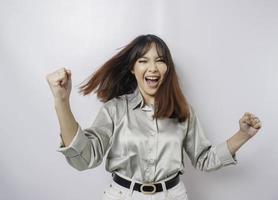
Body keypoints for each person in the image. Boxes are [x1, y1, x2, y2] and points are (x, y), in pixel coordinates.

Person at [46, 34, 262, 200]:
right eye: (143, 61)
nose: (152, 68)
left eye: (160, 60)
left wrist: (242, 135)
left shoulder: (182, 110)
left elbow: (204, 159)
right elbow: (85, 158)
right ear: (132, 68)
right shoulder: (115, 109)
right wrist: (62, 102)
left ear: (167, 68)